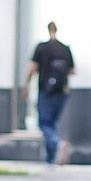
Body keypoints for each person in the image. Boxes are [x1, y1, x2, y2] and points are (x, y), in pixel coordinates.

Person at [24, 22, 75, 166]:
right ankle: (51, 157)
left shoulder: (41, 47)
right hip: (61, 91)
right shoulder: (65, 49)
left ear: (47, 30)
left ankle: (57, 144)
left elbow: (32, 68)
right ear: (57, 30)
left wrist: (26, 86)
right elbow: (72, 70)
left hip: (45, 90)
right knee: (53, 123)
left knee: (44, 123)